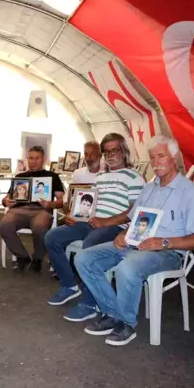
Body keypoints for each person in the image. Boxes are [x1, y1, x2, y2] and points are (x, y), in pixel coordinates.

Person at [75, 135, 194, 346]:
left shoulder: (190, 192)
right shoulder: (148, 188)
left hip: (167, 252)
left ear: (175, 157)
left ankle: (127, 323)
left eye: (161, 156)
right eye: (152, 157)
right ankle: (112, 313)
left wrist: (164, 242)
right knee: (84, 258)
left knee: (127, 267)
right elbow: (137, 220)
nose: (156, 162)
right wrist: (124, 234)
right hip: (136, 243)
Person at [45, 133, 145, 322]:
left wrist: (106, 222)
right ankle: (70, 284)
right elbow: (91, 204)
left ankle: (91, 303)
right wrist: (75, 216)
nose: (110, 155)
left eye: (114, 150)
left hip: (116, 227)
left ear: (124, 151)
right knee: (52, 237)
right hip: (92, 222)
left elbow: (135, 211)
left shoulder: (135, 178)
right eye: (106, 151)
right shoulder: (100, 177)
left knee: (91, 241)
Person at [0, 146, 65, 271]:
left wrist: (51, 205)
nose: (33, 161)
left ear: (43, 160)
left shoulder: (52, 176)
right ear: (27, 159)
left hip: (41, 210)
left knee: (40, 227)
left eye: (37, 158)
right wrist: (5, 201)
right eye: (31, 158)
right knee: (4, 225)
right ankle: (22, 256)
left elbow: (62, 200)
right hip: (18, 210)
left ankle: (38, 258)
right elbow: (6, 199)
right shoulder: (20, 176)